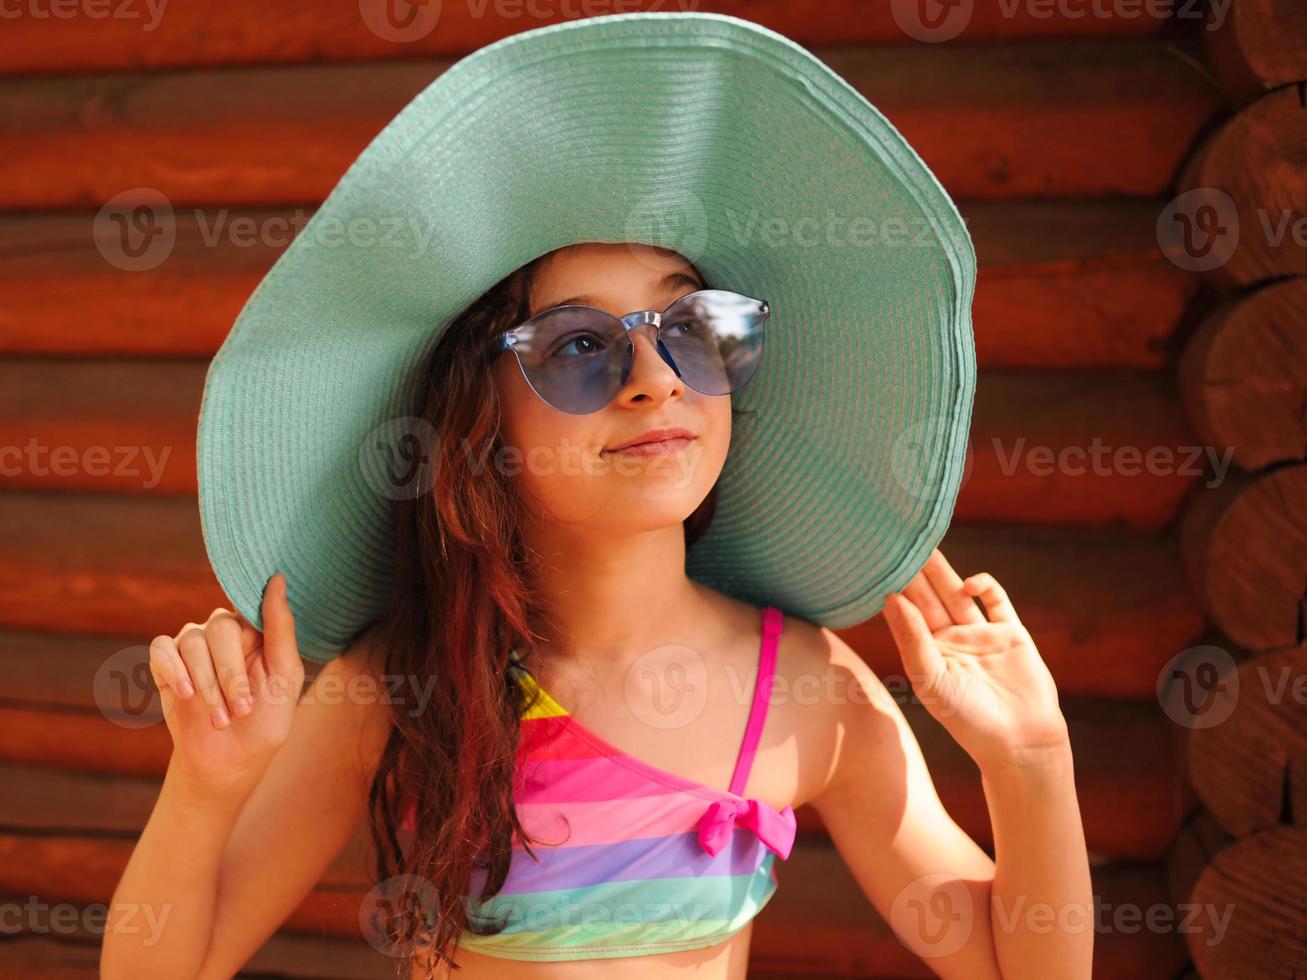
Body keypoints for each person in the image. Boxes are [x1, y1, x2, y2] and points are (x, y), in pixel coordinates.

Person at [103, 13, 1091, 980]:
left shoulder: (802, 686)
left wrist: (1031, 758)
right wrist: (203, 786)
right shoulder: (398, 685)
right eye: (581, 346)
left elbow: (1017, 962)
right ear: (477, 417)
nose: (655, 378)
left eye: (693, 329)